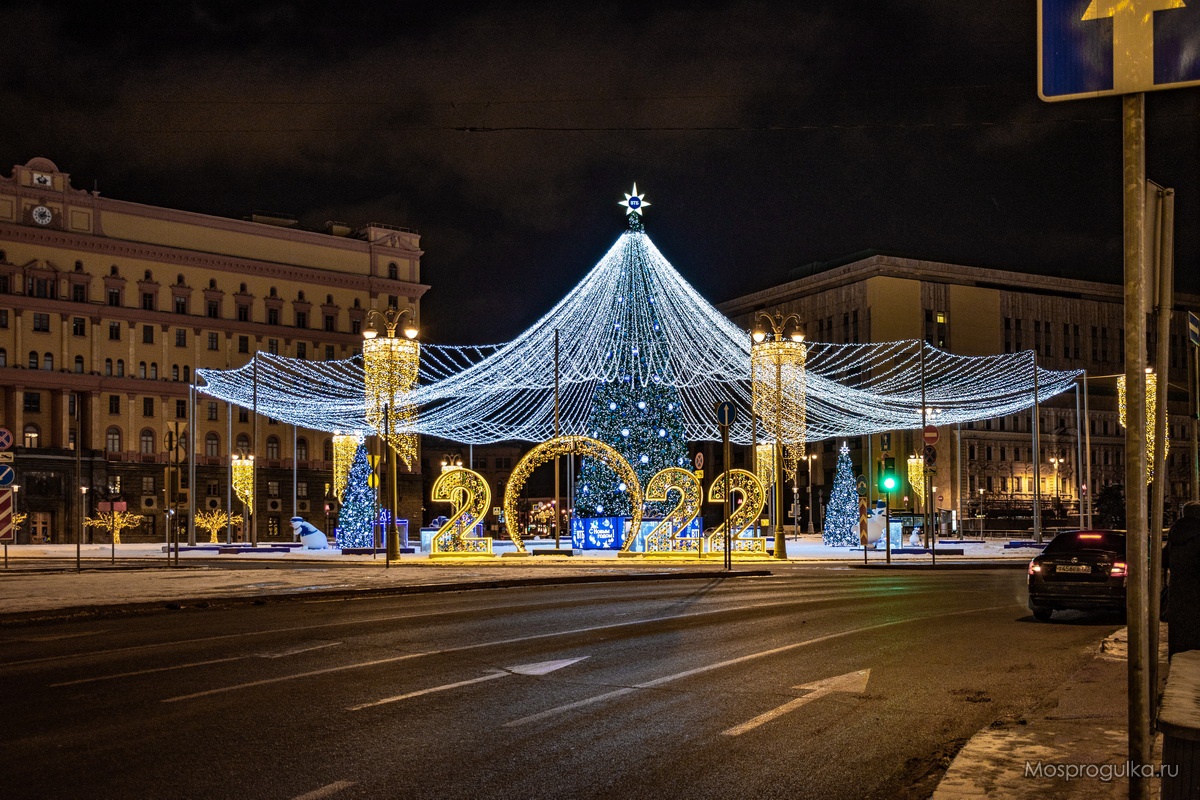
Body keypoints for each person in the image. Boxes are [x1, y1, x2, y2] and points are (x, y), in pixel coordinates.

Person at [1164, 501, 1200, 656]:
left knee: (1179, 634)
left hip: (1177, 591)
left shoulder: (1175, 532)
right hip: (1196, 590)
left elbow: (1163, 560)